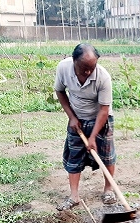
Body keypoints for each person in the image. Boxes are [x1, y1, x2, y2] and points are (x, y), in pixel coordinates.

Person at [53, 43, 117, 211]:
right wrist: (72, 117)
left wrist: (93, 136)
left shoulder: (103, 77)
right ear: (73, 61)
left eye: (91, 68)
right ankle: (74, 196)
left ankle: (109, 190)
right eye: (83, 69)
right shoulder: (63, 68)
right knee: (74, 156)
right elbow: (60, 91)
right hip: (77, 119)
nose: (88, 73)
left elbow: (104, 110)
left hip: (100, 118)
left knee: (107, 155)